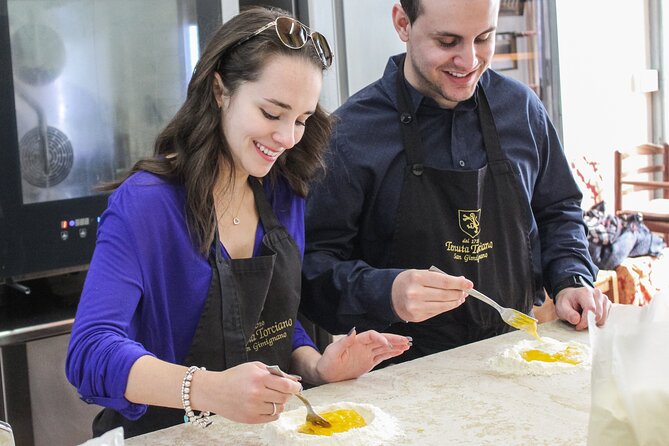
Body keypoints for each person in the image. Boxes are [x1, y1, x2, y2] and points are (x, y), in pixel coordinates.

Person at [66, 7, 411, 439]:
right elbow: (89, 353)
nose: (287, 138)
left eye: (302, 120)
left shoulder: (282, 193)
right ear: (220, 90)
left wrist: (315, 365)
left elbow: (271, 319)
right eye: (272, 113)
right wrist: (207, 389)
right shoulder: (146, 204)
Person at [300, 0, 611, 363]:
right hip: (401, 375)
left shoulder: (522, 109)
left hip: (518, 356)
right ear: (403, 23)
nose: (469, 61)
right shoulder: (349, 135)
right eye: (447, 42)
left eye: (484, 38)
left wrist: (571, 278)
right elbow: (311, 267)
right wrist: (387, 292)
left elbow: (558, 211)